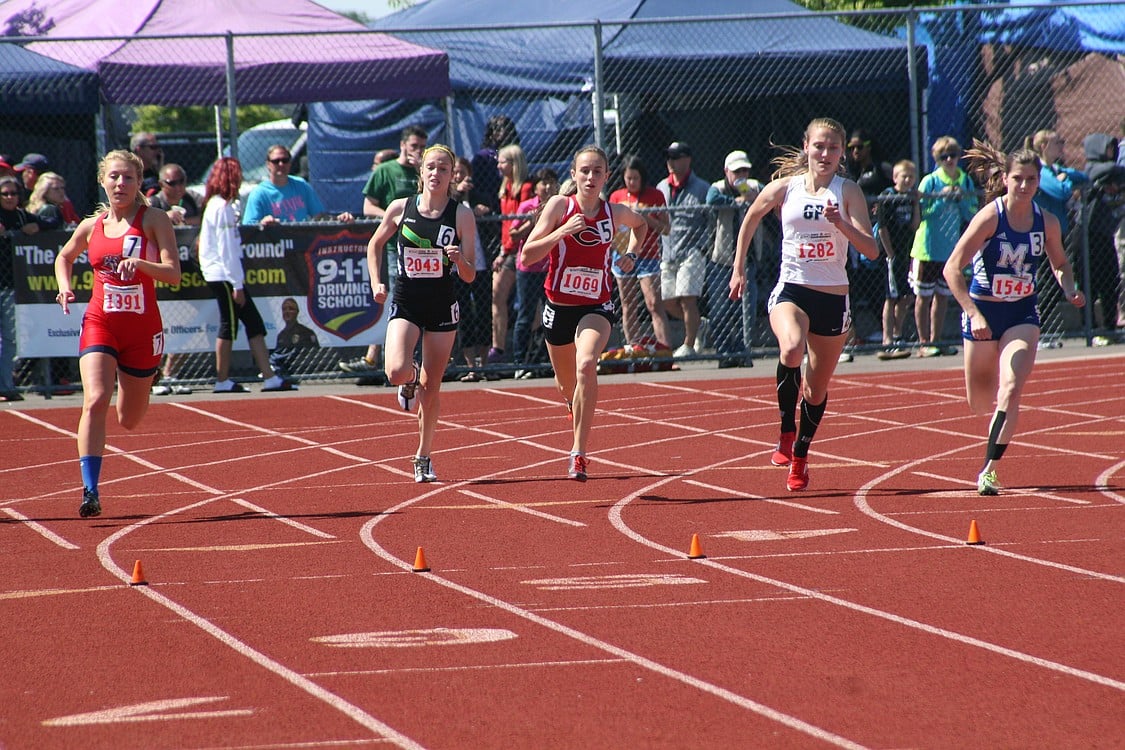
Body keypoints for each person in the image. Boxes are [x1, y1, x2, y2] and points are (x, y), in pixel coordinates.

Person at [729, 117, 878, 492]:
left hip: (832, 297)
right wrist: (738, 268)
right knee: (792, 347)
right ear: (806, 146)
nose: (825, 154)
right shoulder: (786, 187)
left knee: (814, 390)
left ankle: (800, 454)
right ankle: (785, 428)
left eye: (833, 148)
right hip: (792, 289)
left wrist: (841, 224)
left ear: (842, 152)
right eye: (819, 146)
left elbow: (872, 250)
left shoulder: (848, 192)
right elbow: (750, 217)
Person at [942, 140, 1085, 496]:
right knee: (979, 400)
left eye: (1032, 179)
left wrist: (1069, 288)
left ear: (1039, 182)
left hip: (1022, 312)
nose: (1024, 186)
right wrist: (973, 313)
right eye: (1018, 178)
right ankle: (988, 414)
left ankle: (989, 469)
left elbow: (1060, 263)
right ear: (1005, 179)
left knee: (1011, 388)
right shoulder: (991, 217)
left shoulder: (1046, 221)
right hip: (984, 312)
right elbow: (951, 270)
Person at [52, 149, 181, 517]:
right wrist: (64, 285)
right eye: (114, 177)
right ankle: (90, 490)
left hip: (142, 331)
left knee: (129, 418)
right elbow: (65, 256)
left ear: (140, 182)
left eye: (128, 177)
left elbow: (174, 273)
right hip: (100, 322)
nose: (120, 184)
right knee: (95, 399)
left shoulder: (154, 220)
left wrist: (140, 264)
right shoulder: (92, 225)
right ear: (102, 181)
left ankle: (136, 381)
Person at [521, 144, 649, 481]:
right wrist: (562, 230)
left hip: (597, 306)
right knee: (568, 387)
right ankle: (571, 405)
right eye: (584, 171)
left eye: (597, 171)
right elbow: (527, 255)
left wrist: (632, 256)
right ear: (574, 175)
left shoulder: (614, 212)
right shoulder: (560, 206)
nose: (590, 177)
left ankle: (578, 452)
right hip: (559, 308)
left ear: (607, 176)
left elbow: (642, 226)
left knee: (587, 363)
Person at [366, 144, 477, 483]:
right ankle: (409, 379)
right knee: (396, 370)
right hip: (407, 298)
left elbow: (471, 273)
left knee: (433, 388)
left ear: (452, 175)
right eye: (431, 167)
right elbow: (375, 244)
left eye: (443, 168)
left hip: (442, 303)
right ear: (421, 172)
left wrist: (459, 261)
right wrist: (376, 282)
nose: (436, 173)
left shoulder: (461, 215)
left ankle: (423, 456)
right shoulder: (401, 208)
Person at [199, 157, 297, 394]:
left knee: (253, 323)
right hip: (223, 276)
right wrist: (236, 284)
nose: (241, 178)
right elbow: (227, 250)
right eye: (238, 173)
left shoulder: (220, 205)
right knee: (228, 326)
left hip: (227, 275)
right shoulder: (221, 207)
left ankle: (270, 377)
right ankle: (222, 380)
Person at [340, 126, 428, 382]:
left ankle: (417, 360)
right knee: (398, 305)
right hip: (395, 249)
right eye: (414, 146)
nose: (418, 152)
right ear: (402, 145)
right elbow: (368, 206)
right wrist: (395, 219)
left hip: (427, 252)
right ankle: (390, 360)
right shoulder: (386, 170)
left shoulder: (425, 172)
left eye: (423, 147)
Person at [910, 136, 978, 358]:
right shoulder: (930, 181)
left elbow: (971, 213)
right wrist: (941, 198)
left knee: (942, 296)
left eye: (953, 155)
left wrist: (962, 200)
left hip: (950, 249)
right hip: (928, 249)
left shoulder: (965, 180)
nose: (949, 160)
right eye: (943, 156)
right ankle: (923, 342)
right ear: (936, 159)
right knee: (924, 296)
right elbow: (920, 215)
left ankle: (936, 340)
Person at [609, 155, 671, 354]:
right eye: (629, 178)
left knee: (653, 302)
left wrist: (645, 217)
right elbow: (611, 228)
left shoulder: (655, 196)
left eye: (636, 178)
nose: (632, 182)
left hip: (648, 255)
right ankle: (634, 349)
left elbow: (666, 228)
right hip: (622, 254)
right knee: (628, 304)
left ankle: (664, 350)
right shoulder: (616, 197)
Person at [705, 149, 760, 368]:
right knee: (719, 312)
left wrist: (753, 196)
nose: (741, 175)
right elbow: (711, 199)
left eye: (744, 170)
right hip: (722, 260)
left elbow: (768, 194)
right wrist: (737, 199)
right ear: (727, 171)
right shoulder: (718, 187)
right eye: (737, 171)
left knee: (746, 313)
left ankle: (741, 352)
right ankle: (725, 353)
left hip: (748, 262)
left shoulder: (754, 186)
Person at [657, 141, 711, 358]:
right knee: (668, 301)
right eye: (669, 157)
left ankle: (689, 345)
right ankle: (699, 325)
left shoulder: (702, 188)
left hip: (692, 253)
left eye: (676, 157)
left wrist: (702, 247)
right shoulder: (661, 186)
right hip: (668, 253)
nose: (671, 162)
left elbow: (711, 220)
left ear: (688, 159)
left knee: (688, 298)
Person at [486, 143, 535, 376]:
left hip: (520, 250)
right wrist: (503, 251)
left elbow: (520, 226)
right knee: (497, 294)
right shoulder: (504, 187)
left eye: (503, 161)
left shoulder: (525, 188)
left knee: (528, 302)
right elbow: (507, 226)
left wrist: (506, 251)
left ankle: (529, 347)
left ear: (514, 163)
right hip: (507, 249)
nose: (498, 164)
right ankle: (498, 347)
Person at [511, 166, 559, 378]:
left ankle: (549, 361)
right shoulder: (526, 206)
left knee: (553, 314)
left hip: (551, 267)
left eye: (551, 182)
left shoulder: (560, 205)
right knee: (525, 315)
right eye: (543, 183)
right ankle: (519, 362)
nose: (547, 187)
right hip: (529, 268)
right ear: (536, 187)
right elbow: (513, 235)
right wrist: (530, 222)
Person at [450, 155, 491, 382]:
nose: (459, 177)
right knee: (463, 312)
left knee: (484, 311)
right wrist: (457, 192)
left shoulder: (476, 196)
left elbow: (489, 207)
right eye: (455, 173)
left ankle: (484, 365)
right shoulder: (448, 200)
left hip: (481, 264)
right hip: (458, 266)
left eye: (462, 172)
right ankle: (469, 365)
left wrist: (480, 208)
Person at [873, 159, 920, 360]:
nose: (908, 180)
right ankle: (887, 339)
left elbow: (915, 225)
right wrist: (890, 253)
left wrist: (916, 202)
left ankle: (898, 334)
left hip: (906, 252)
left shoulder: (910, 198)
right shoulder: (887, 197)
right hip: (891, 254)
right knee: (891, 297)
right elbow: (882, 227)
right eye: (904, 176)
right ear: (895, 177)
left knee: (906, 296)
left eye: (911, 177)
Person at [241, 145, 355, 226]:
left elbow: (320, 216)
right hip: (275, 249)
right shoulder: (259, 193)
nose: (281, 164)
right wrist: (263, 223)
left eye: (285, 160)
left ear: (290, 163)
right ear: (268, 164)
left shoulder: (301, 185)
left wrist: (338, 219)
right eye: (276, 161)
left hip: (300, 246)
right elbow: (248, 226)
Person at [0, 176, 40, 402]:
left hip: (9, 287)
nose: (9, 197)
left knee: (10, 339)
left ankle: (5, 385)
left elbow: (53, 218)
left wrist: (37, 226)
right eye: (4, 194)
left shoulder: (22, 215)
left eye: (13, 193)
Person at [269, 297, 320, 380]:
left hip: (302, 367)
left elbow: (312, 354)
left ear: (297, 312)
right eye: (284, 309)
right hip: (284, 368)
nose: (287, 312)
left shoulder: (306, 332)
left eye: (291, 309)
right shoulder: (281, 335)